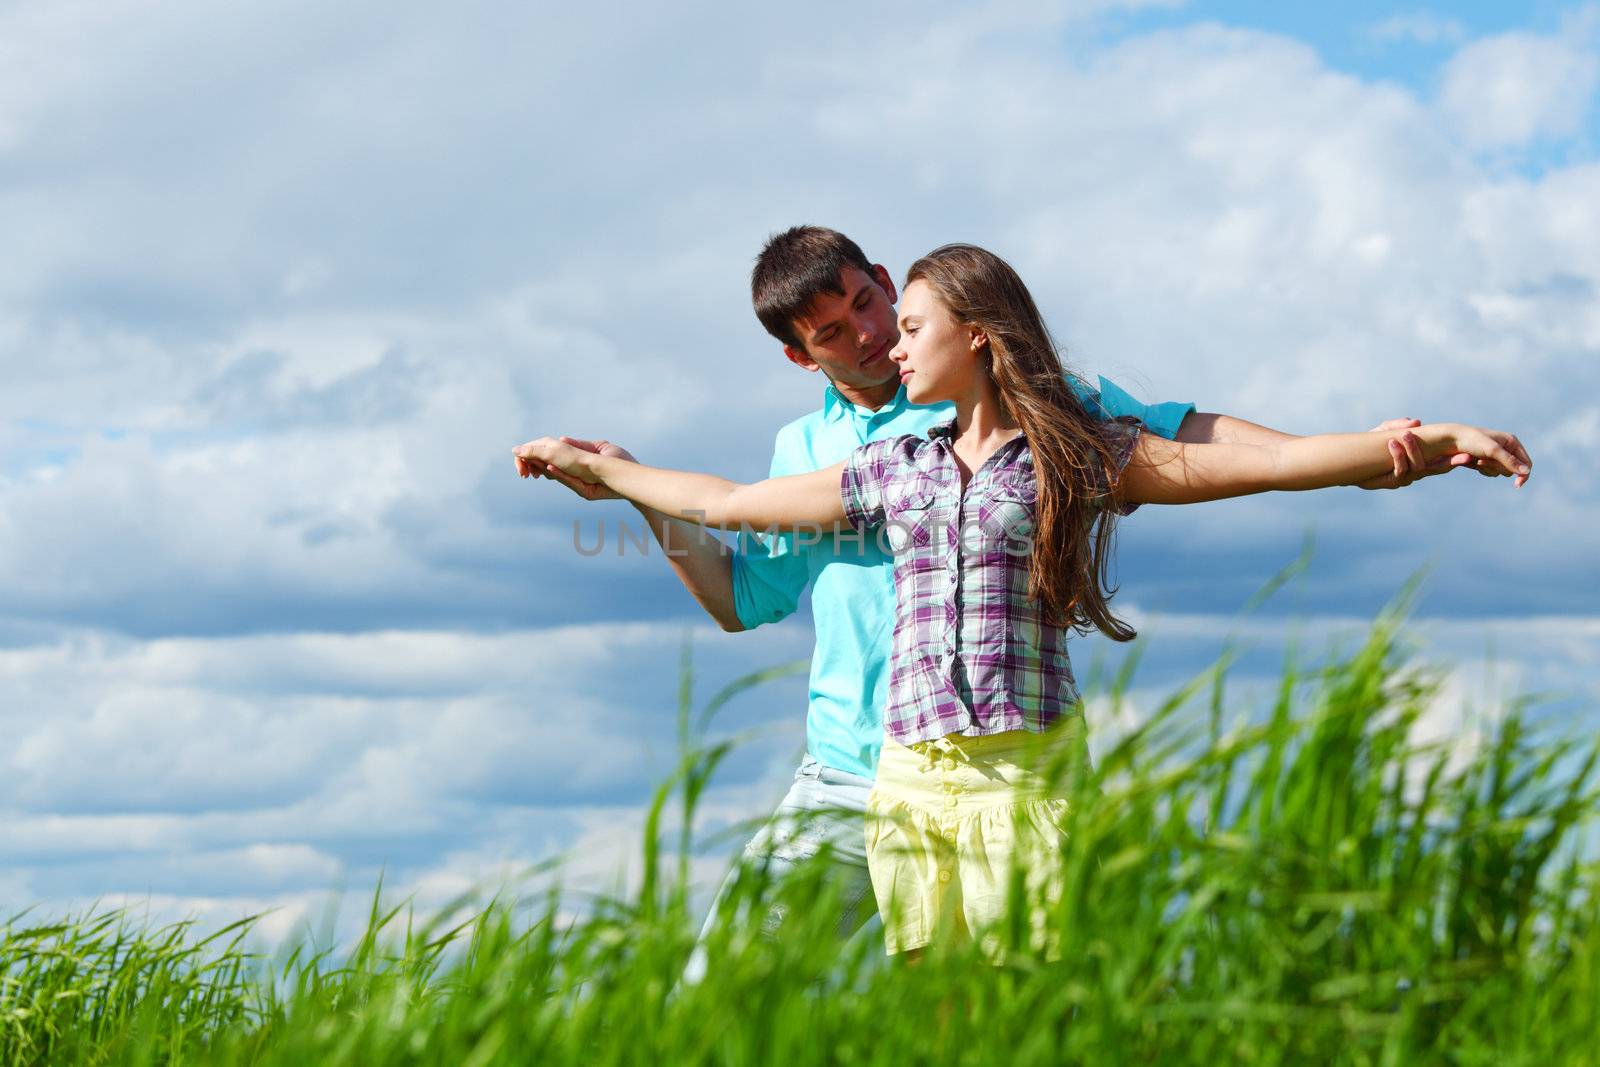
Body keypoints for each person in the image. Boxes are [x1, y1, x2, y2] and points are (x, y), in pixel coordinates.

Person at [514, 242, 1529, 959]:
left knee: (1023, 1002)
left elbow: (1245, 461)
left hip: (1022, 765)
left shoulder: (1072, 442)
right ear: (802, 350)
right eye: (846, 330)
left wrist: (1405, 447)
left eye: (895, 316)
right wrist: (611, 477)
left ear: (970, 330)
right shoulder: (880, 464)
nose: (881, 341)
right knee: (842, 994)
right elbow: (727, 516)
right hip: (884, 769)